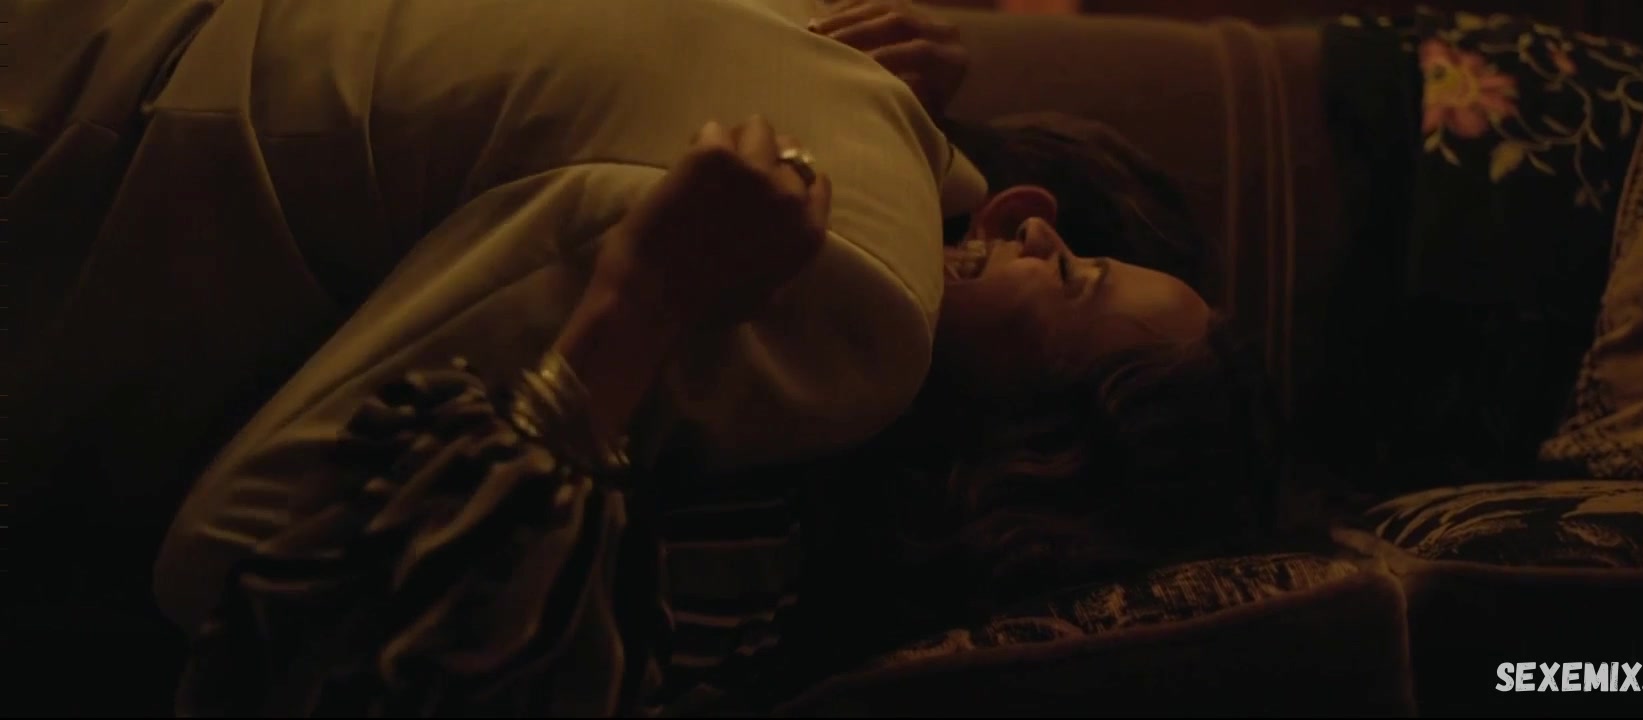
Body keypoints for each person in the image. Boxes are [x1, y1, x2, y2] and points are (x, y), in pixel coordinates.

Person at [12, 0, 1276, 716]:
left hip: (85, 158)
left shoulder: (791, 444)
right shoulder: (875, 192)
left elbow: (253, 583)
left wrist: (636, 304)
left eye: (1073, 277)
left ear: (1030, 456)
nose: (1038, 225)